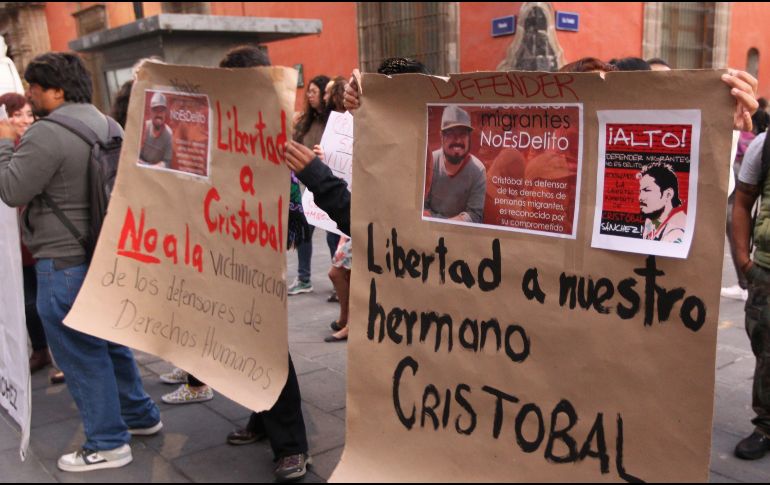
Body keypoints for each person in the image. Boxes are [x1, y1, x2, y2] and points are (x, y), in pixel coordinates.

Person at [0, 52, 161, 472]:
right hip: (103, 253)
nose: (29, 96)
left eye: (35, 88)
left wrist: (2, 141)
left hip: (62, 260)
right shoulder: (108, 123)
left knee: (79, 354)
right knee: (111, 341)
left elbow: (12, 189)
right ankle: (140, 415)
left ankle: (108, 443)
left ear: (56, 90)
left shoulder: (46, 133)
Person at [218, 44, 312, 482]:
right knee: (246, 341)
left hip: (260, 246)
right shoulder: (230, 119)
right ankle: (261, 417)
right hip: (227, 246)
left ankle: (291, 446)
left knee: (267, 344)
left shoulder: (273, 121)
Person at [288, 74, 331, 296]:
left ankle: (340, 282)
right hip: (308, 188)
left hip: (330, 184)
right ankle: (304, 278)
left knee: (334, 233)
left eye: (315, 92)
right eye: (310, 92)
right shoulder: (305, 122)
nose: (311, 96)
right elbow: (293, 144)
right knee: (304, 231)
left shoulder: (334, 120)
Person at [423, 105, 486, 223]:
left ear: (469, 138)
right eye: (451, 134)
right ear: (441, 136)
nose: (457, 140)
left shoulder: (478, 170)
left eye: (462, 134)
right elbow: (422, 208)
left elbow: (475, 216)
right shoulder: (430, 161)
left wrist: (443, 223)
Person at [638, 162, 686, 243]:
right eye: (640, 191)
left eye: (647, 190)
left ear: (668, 194)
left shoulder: (677, 231)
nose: (640, 198)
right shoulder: (651, 220)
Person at [139, 91, 173, 168]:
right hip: (140, 167)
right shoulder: (145, 127)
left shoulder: (169, 135)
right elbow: (135, 153)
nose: (159, 114)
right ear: (151, 112)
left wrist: (152, 168)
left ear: (165, 113)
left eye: (161, 110)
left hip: (157, 173)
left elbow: (167, 162)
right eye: (155, 110)